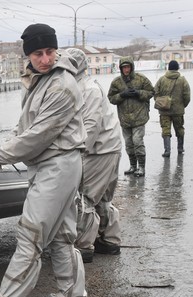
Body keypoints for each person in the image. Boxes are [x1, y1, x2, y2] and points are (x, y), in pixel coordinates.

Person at [0, 23, 87, 297]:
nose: (46, 59)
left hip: (57, 164)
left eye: (50, 52)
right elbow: (27, 128)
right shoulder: (39, 81)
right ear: (28, 55)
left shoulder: (61, 85)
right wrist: (3, 147)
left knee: (31, 232)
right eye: (38, 53)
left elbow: (39, 135)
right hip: (52, 164)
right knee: (60, 235)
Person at [65, 48, 123, 263]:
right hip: (108, 147)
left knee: (86, 197)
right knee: (102, 198)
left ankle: (83, 246)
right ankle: (108, 240)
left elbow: (90, 125)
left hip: (99, 150)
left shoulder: (87, 89)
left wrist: (77, 153)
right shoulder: (84, 86)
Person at [107, 57, 154, 177]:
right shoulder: (116, 82)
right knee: (129, 144)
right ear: (121, 68)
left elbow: (151, 92)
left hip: (139, 117)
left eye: (128, 67)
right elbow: (111, 98)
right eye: (124, 67)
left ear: (132, 67)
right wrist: (122, 95)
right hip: (125, 119)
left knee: (138, 141)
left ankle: (142, 167)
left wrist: (139, 93)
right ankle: (133, 166)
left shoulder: (141, 79)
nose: (126, 70)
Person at [154, 60, 191, 157]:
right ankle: (180, 148)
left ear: (168, 68)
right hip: (178, 111)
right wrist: (182, 105)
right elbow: (187, 96)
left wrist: (161, 102)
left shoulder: (161, 79)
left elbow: (155, 92)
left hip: (164, 110)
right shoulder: (183, 80)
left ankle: (167, 151)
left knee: (165, 130)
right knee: (179, 129)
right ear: (178, 68)